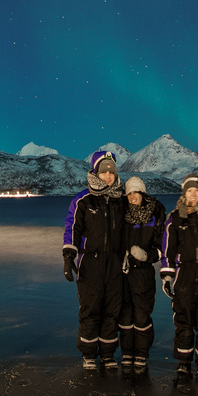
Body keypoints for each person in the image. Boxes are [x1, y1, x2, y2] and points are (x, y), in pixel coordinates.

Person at [63, 151, 125, 369]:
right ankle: (89, 354)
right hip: (91, 263)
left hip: (115, 264)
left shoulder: (121, 200)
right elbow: (73, 227)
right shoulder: (83, 199)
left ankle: (108, 354)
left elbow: (133, 227)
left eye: (112, 172)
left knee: (111, 310)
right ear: (96, 173)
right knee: (90, 309)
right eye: (104, 171)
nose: (108, 176)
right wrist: (69, 255)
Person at [160, 173, 198, 377]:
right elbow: (168, 248)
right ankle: (184, 360)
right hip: (184, 274)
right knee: (183, 320)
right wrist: (167, 275)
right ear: (184, 194)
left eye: (196, 191)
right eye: (189, 191)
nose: (193, 195)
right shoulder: (176, 217)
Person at [118, 176, 166, 371]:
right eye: (129, 193)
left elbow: (163, 245)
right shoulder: (122, 213)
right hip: (123, 272)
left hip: (144, 273)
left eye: (135, 192)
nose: (132, 197)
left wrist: (148, 255)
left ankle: (142, 354)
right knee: (125, 315)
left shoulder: (155, 213)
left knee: (142, 315)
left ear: (142, 193)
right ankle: (127, 352)